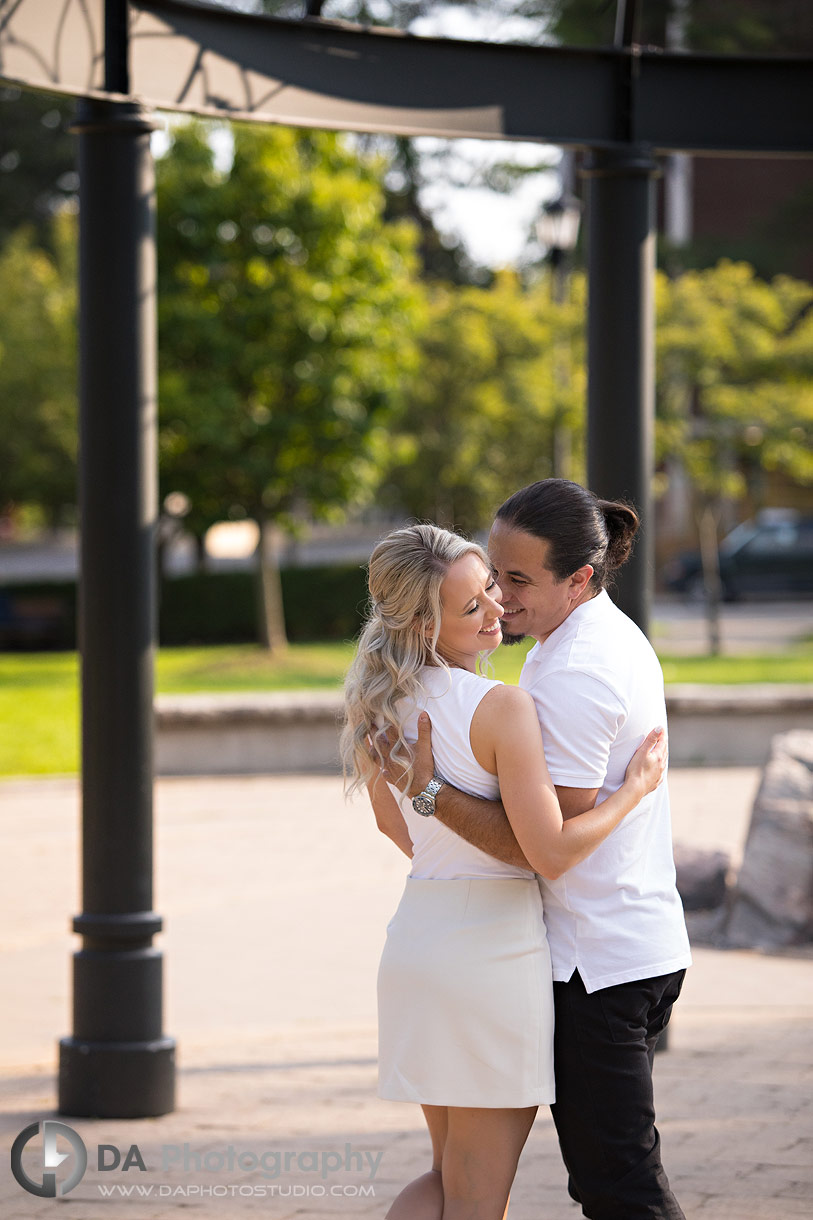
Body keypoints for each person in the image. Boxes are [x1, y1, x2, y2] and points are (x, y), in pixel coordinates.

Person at [377, 481, 692, 1220]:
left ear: (578, 578)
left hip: (554, 957)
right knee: (575, 1186)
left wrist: (425, 798)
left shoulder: (391, 700)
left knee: (477, 1180)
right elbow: (542, 850)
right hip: (522, 957)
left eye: (513, 583)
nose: (501, 603)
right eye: (490, 582)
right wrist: (633, 791)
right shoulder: (525, 686)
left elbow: (418, 837)